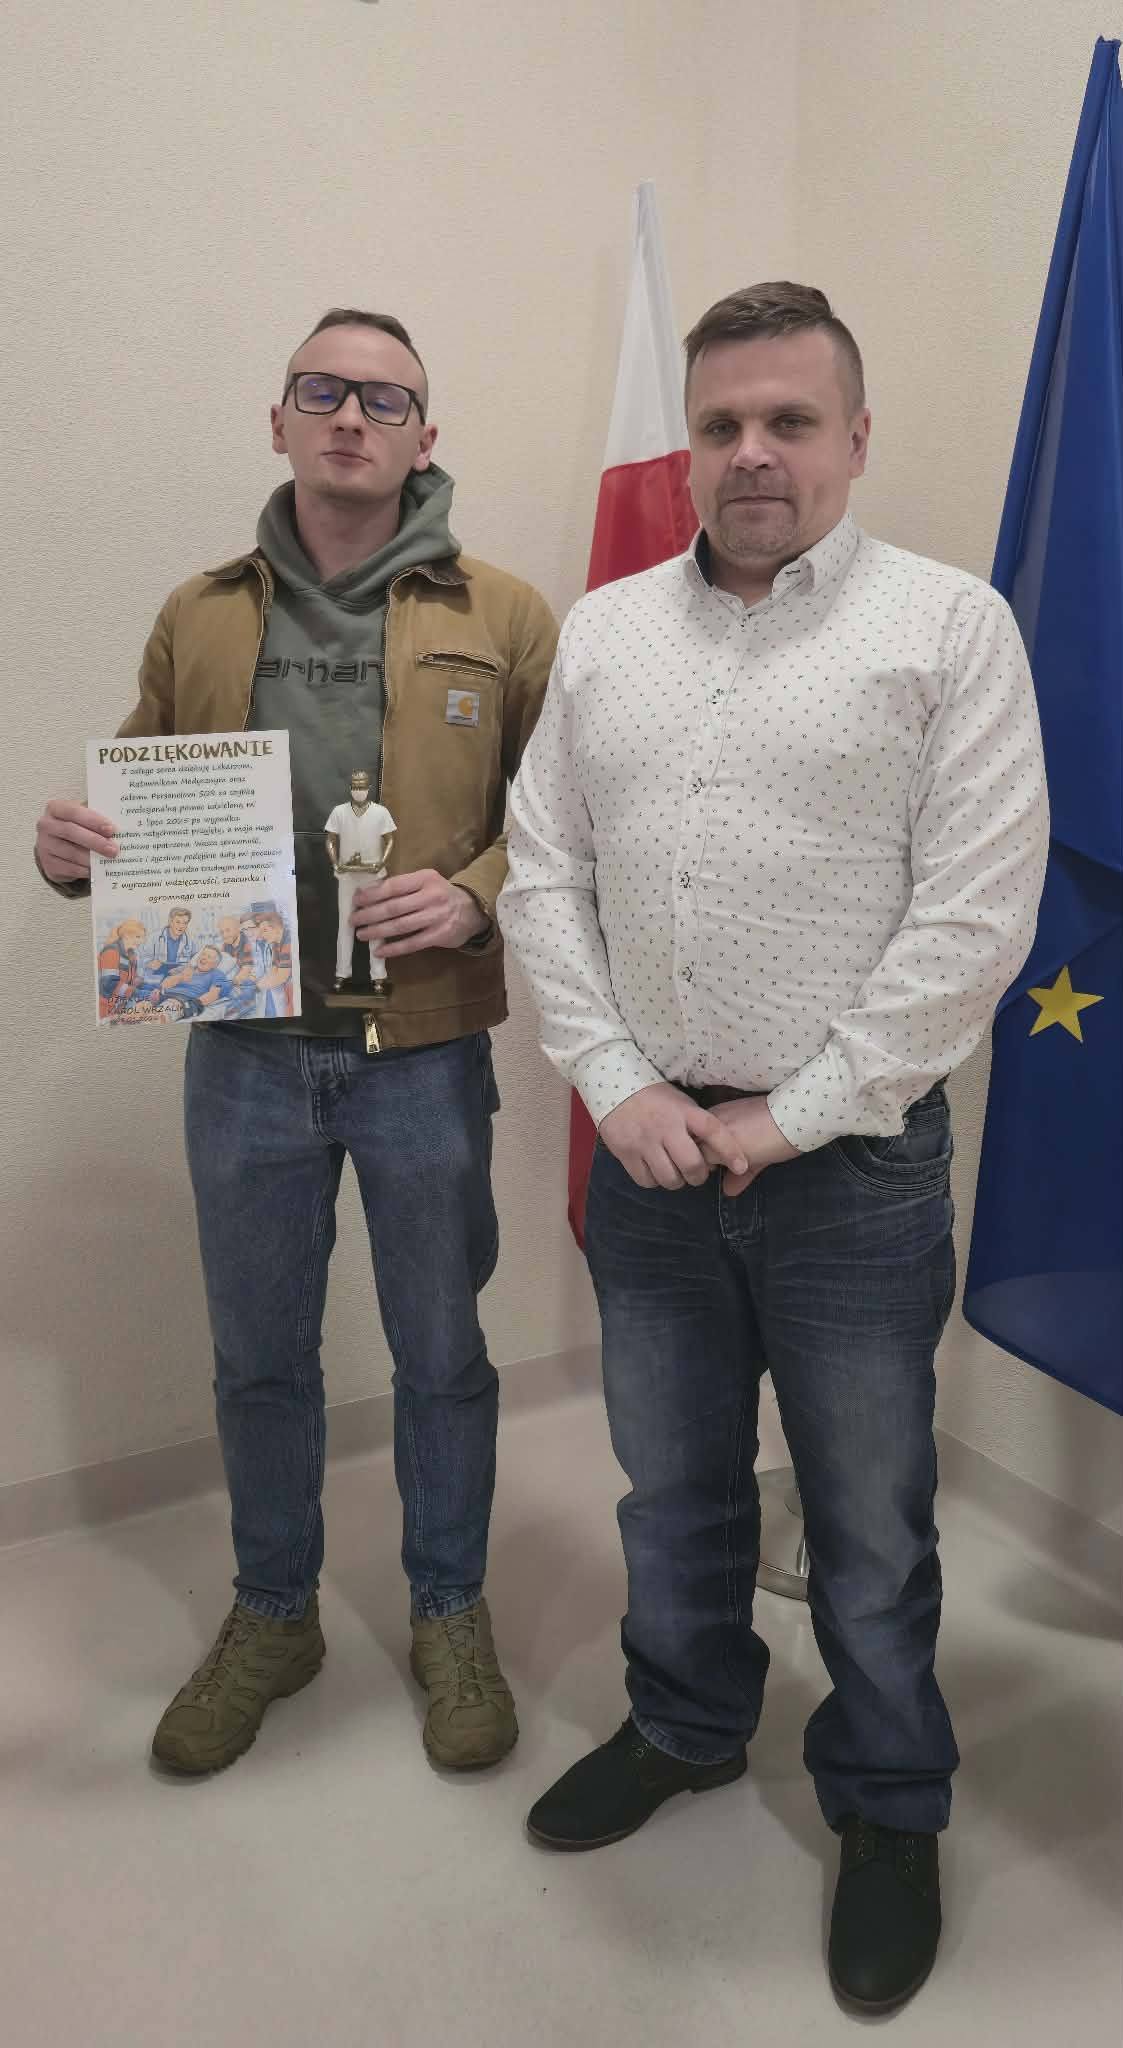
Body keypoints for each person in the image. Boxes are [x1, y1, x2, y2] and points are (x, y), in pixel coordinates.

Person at [499, 283, 1048, 2013]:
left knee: (868, 1520)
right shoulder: (604, 633)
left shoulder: (946, 628)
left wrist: (787, 1113)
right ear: (687, 447)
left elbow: (974, 921)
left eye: (788, 421)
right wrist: (616, 1087)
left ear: (852, 439)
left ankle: (886, 1800)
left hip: (850, 1174)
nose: (750, 452)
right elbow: (542, 876)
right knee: (669, 1488)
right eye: (720, 423)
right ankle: (683, 1722)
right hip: (652, 1156)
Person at [35, 306, 556, 1779]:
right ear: (278, 419)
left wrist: (473, 892)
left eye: (384, 399)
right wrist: (76, 855)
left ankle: (447, 1609)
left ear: (424, 436)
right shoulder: (199, 612)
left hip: (423, 1054)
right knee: (259, 1358)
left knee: (441, 1352)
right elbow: (143, 803)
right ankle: (274, 1611)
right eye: (322, 390)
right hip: (246, 1052)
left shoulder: (506, 615)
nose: (350, 418)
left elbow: (565, 820)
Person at [324, 771, 396, 988]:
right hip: (347, 877)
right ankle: (342, 973)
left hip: (373, 876)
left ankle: (379, 975)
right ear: (350, 788)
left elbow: (390, 840)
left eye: (362, 786)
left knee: (376, 923)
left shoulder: (381, 812)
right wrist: (335, 863)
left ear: (369, 787)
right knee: (345, 923)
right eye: (355, 786)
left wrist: (382, 862)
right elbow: (330, 839)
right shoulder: (339, 812)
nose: (358, 790)